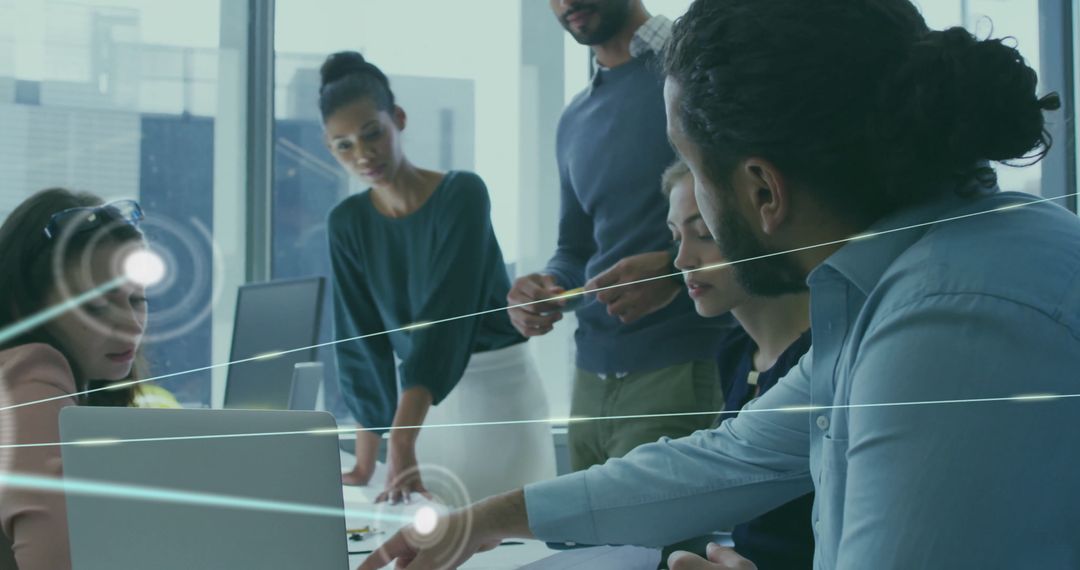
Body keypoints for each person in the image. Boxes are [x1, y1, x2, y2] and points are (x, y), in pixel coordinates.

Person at [360, 0, 1080, 568]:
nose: (686, 210)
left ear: (763, 190)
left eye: (690, 168)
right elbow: (728, 459)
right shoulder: (902, 274)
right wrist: (478, 523)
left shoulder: (948, 323)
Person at [321, 52, 555, 505]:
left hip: (494, 398)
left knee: (505, 546)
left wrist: (402, 442)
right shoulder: (346, 223)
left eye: (373, 133)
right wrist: (368, 462)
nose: (363, 154)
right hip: (416, 414)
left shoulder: (462, 194)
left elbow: (445, 321)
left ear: (399, 120)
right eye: (344, 144)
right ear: (330, 149)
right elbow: (359, 343)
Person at [507, 0, 729, 473]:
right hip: (589, 381)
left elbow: (753, 204)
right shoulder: (575, 118)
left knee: (663, 548)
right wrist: (546, 288)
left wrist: (672, 269)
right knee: (597, 550)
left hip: (681, 365)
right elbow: (576, 248)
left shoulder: (700, 69)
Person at [663, 161, 814, 569]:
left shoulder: (823, 358)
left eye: (705, 234)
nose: (682, 259)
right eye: (676, 236)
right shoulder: (734, 350)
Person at [0, 189, 149, 570]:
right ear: (26, 306)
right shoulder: (29, 375)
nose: (131, 325)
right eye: (95, 305)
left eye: (137, 300)